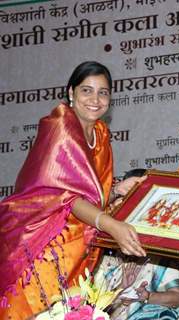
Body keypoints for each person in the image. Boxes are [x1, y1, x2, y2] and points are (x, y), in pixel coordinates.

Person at [0, 61, 146, 320]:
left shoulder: (100, 133)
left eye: (103, 92)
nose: (95, 99)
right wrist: (111, 225)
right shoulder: (61, 127)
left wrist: (115, 191)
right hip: (45, 244)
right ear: (71, 93)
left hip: (80, 246)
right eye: (86, 91)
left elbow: (90, 193)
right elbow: (67, 197)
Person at [100, 168, 179, 320]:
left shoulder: (158, 252)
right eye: (124, 200)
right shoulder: (103, 253)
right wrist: (120, 291)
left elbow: (178, 298)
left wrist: (146, 296)